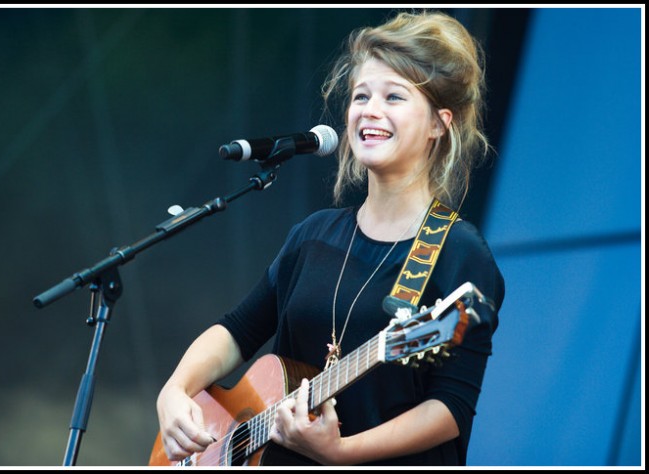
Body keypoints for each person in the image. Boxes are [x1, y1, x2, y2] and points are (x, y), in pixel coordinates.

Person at [155, 9, 505, 466]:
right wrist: (174, 391)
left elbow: (450, 409)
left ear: (440, 123)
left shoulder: (459, 252)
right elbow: (237, 331)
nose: (370, 110)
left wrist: (341, 452)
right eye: (362, 95)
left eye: (394, 97)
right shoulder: (314, 234)